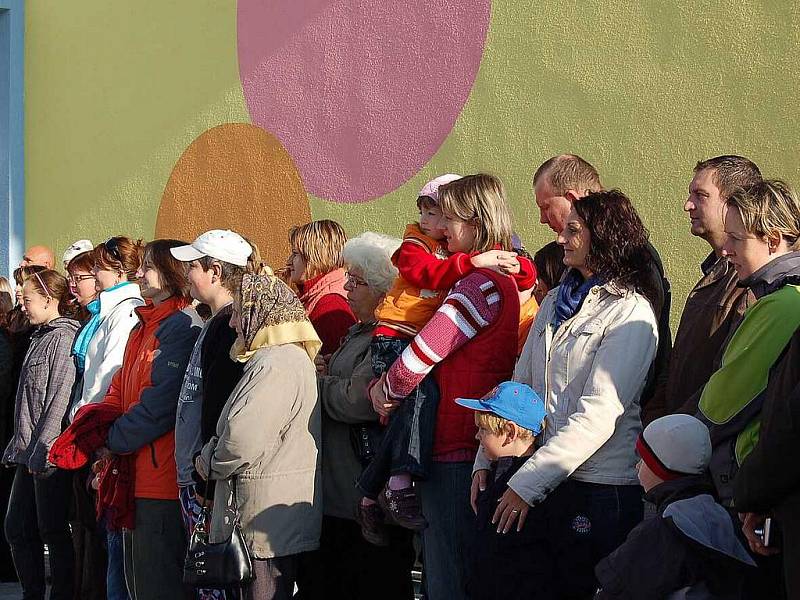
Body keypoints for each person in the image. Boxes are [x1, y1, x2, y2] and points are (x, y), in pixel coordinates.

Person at [478, 190, 659, 590]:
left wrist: (526, 484)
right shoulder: (557, 299)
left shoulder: (630, 312)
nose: (560, 238)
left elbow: (599, 414)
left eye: (573, 230)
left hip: (599, 487)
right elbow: (520, 385)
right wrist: (484, 459)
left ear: (605, 237)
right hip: (547, 480)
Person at [370, 174, 521, 600]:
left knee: (448, 573)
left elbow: (422, 354)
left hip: (457, 439)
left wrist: (384, 391)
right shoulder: (494, 280)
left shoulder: (480, 285)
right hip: (464, 436)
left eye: (450, 219)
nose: (441, 228)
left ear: (474, 223)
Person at [694, 180, 800, 596]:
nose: (725, 249)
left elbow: (719, 405)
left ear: (772, 239)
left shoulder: (782, 303)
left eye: (737, 238)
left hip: (757, 490)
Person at [301, 231, 415, 600]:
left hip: (364, 497)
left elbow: (358, 399)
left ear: (383, 289)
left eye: (357, 281)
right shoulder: (361, 332)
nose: (346, 287)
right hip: (343, 495)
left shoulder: (387, 337)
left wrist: (318, 382)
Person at [195, 271, 322, 600]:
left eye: (239, 312)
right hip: (269, 517)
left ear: (260, 311)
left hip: (262, 523)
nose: (235, 323)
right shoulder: (281, 359)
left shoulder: (274, 363)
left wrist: (208, 461)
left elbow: (241, 440)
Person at [100, 239, 202, 600]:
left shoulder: (180, 327)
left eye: (148, 266)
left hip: (159, 482)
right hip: (135, 474)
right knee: (136, 585)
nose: (139, 273)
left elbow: (159, 405)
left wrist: (111, 438)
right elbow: (119, 387)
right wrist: (99, 422)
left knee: (158, 586)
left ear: (171, 273)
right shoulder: (142, 326)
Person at [531, 154, 671, 410]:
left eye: (546, 207)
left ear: (572, 199)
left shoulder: (636, 265)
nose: (542, 219)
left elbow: (619, 388)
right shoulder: (564, 286)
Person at [643, 156, 763, 424]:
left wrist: (674, 430)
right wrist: (655, 422)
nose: (688, 205)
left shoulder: (752, 284)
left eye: (700, 195)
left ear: (735, 203)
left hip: (701, 440)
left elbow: (729, 379)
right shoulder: (712, 277)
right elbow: (676, 367)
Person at [170, 230, 255, 600]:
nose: (187, 274)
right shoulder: (215, 322)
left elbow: (218, 409)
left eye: (193, 267)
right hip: (199, 474)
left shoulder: (227, 326)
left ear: (216, 271)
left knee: (213, 585)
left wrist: (205, 484)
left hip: (208, 480)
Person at [458, 382, 595, 600]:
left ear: (510, 432)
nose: (477, 436)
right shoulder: (494, 476)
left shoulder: (549, 491)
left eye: (483, 429)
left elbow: (570, 562)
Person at [595, 414, 755, 598]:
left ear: (660, 467)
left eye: (644, 459)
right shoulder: (723, 518)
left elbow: (616, 588)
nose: (638, 466)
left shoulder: (660, 530)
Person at [70, 237, 144, 600]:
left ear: (118, 270)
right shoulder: (108, 311)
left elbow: (108, 379)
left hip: (105, 436)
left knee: (113, 544)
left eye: (98, 267)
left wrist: (94, 432)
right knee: (101, 538)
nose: (93, 274)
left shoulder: (126, 311)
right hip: (95, 432)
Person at [2, 269, 80, 600]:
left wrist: (43, 450)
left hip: (46, 453)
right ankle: (32, 594)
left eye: (28, 299)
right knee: (17, 527)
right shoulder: (40, 337)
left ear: (50, 299)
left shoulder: (62, 340)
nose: (24, 306)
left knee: (52, 529)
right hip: (28, 451)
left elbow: (59, 399)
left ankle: (60, 594)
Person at [286, 219, 356, 354]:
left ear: (314, 256)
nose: (288, 261)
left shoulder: (330, 306)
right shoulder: (315, 296)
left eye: (295, 254)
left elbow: (334, 367)